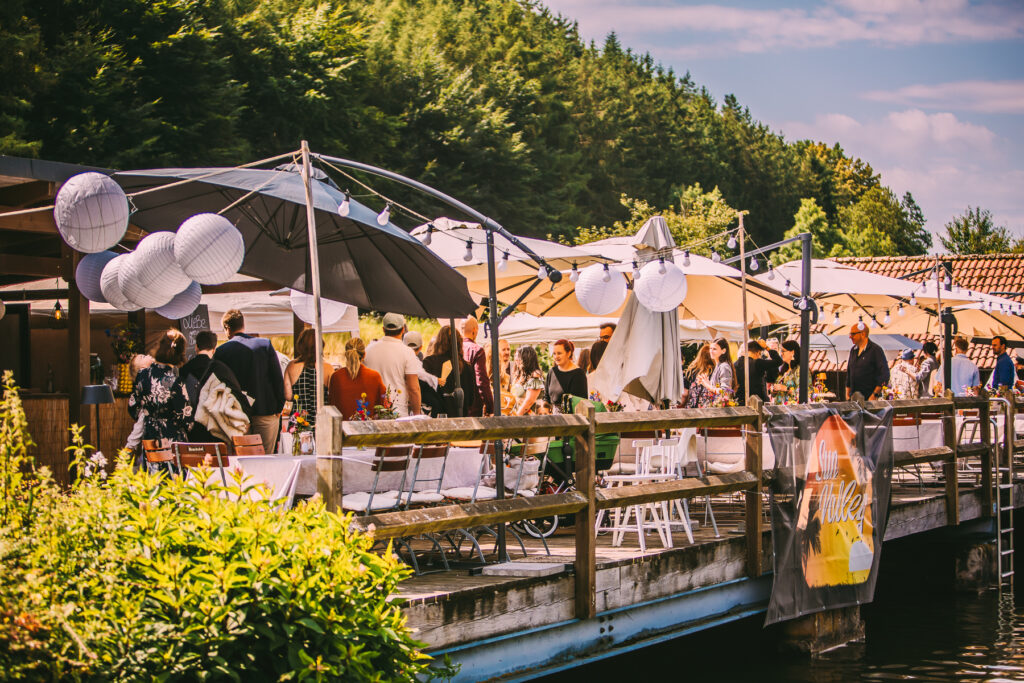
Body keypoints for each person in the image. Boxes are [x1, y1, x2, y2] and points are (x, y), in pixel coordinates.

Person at [213, 309, 285, 452]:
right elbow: (277, 378)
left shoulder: (221, 352)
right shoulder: (264, 345)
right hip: (266, 410)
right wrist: (279, 407)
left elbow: (218, 384)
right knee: (266, 457)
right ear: (243, 325)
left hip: (236, 414)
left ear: (227, 328)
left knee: (241, 457)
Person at [128, 330, 192, 471]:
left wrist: (149, 416)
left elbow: (133, 406)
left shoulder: (142, 375)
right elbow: (186, 418)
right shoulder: (175, 381)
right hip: (172, 440)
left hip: (150, 438)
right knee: (174, 484)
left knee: (153, 482)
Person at [179, 330, 250, 442]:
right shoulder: (221, 369)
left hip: (192, 429)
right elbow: (238, 397)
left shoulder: (184, 370)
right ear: (214, 348)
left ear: (196, 347)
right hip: (215, 427)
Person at [364, 313, 423, 416]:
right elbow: (413, 388)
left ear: (383, 329)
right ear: (403, 329)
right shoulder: (408, 352)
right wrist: (417, 414)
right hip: (398, 411)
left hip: (372, 410)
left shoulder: (368, 350)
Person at [422, 325, 477, 417]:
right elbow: (471, 399)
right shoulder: (467, 367)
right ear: (459, 343)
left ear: (438, 341)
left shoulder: (429, 363)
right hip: (461, 418)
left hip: (436, 418)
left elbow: (423, 394)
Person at [283, 329, 333, 427]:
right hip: (321, 421)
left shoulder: (291, 366)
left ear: (301, 345)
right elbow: (332, 396)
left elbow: (288, 396)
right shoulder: (328, 368)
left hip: (299, 421)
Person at [329, 337, 387, 420]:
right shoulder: (374, 376)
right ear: (364, 355)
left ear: (346, 355)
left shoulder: (336, 377)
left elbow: (332, 407)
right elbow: (383, 407)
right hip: (368, 429)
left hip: (342, 430)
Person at [846, 322, 889, 400]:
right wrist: (847, 395)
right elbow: (849, 373)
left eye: (853, 334)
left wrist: (874, 395)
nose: (850, 337)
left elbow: (884, 375)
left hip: (869, 399)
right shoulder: (853, 350)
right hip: (853, 399)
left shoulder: (876, 350)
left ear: (863, 334)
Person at [460, 316, 494, 416]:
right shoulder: (477, 350)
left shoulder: (453, 349)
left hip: (455, 405)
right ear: (475, 330)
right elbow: (481, 381)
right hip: (473, 406)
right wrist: (490, 406)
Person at [734, 338, 782, 405]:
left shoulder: (735, 364)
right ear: (758, 352)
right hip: (758, 402)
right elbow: (779, 361)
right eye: (760, 354)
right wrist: (767, 347)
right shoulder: (757, 362)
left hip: (740, 401)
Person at [546, 339, 588, 411]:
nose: (556, 356)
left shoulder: (578, 374)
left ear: (568, 353)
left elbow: (581, 401)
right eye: (554, 353)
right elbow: (546, 396)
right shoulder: (552, 371)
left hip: (572, 419)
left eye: (559, 353)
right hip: (553, 418)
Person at [511, 345, 545, 415]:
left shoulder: (535, 376)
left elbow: (529, 401)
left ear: (527, 358)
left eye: (519, 356)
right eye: (516, 356)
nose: (516, 359)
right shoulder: (518, 375)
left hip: (530, 419)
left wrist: (516, 417)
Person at [684, 343, 715, 408]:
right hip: (708, 408)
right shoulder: (715, 371)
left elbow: (684, 393)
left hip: (691, 408)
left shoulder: (691, 371)